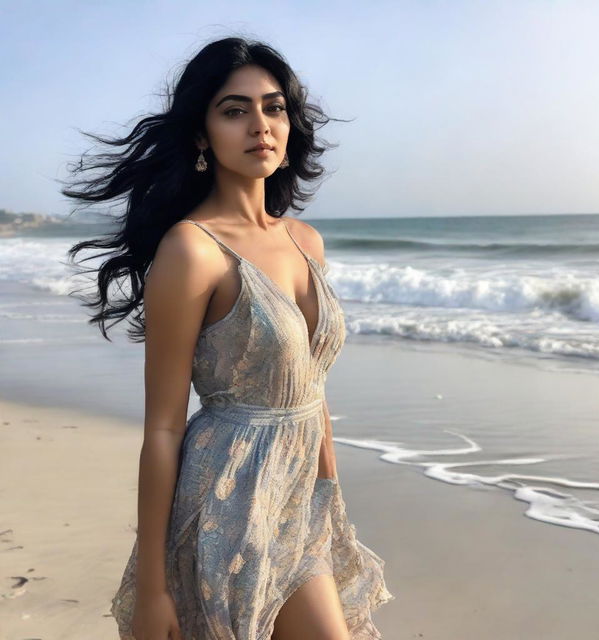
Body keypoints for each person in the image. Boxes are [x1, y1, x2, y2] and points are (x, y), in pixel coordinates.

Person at [62, 35, 394, 639]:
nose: (260, 125)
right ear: (201, 135)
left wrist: (328, 497)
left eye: (274, 108)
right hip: (228, 501)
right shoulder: (192, 250)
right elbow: (163, 426)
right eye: (234, 110)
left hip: (300, 501)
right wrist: (155, 588)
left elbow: (311, 387)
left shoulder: (305, 241)